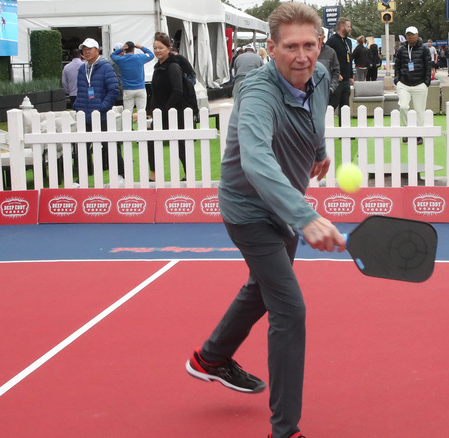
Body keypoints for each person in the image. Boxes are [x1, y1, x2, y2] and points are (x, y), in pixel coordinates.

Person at [184, 3, 346, 438]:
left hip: (287, 203)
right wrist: (305, 216)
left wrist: (317, 151)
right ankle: (285, 430)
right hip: (248, 209)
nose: (301, 56)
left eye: (309, 45)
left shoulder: (321, 75)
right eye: (290, 46)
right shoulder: (257, 92)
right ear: (271, 48)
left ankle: (211, 358)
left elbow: (316, 112)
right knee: (290, 309)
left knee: (262, 287)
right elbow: (255, 160)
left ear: (320, 44)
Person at [72, 38, 124, 181]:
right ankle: (82, 177)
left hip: (101, 115)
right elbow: (81, 90)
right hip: (85, 114)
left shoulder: (106, 67)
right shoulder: (82, 68)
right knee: (82, 148)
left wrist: (102, 107)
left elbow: (113, 90)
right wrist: (78, 106)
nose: (86, 52)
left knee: (110, 145)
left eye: (89, 49)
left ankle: (122, 174)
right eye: (84, 49)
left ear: (97, 50)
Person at [149, 33, 197, 181]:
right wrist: (151, 110)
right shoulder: (158, 67)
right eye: (155, 48)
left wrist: (166, 109)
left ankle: (188, 175)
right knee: (152, 140)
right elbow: (156, 92)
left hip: (177, 112)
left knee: (180, 143)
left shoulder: (173, 66)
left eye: (160, 48)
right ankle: (154, 174)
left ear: (169, 48)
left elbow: (178, 91)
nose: (157, 50)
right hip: (162, 111)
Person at [393, 26, 432, 144]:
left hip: (420, 84)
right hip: (404, 83)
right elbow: (397, 65)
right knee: (403, 107)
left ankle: (418, 135)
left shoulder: (424, 49)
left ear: (417, 34)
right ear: (406, 36)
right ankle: (406, 131)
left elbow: (428, 66)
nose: (411, 36)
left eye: (413, 34)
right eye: (408, 34)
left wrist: (426, 82)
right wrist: (397, 79)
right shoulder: (401, 49)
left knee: (420, 111)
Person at [110, 41, 154, 114]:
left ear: (125, 50)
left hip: (128, 90)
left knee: (127, 112)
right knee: (141, 112)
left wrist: (121, 49)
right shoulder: (140, 57)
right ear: (133, 49)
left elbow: (112, 55)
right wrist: (141, 47)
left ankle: (128, 125)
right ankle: (141, 125)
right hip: (140, 88)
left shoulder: (121, 60)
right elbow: (151, 55)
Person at [326, 17, 353, 116]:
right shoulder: (332, 41)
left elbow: (349, 59)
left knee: (345, 107)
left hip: (346, 81)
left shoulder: (348, 42)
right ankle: (327, 127)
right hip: (336, 81)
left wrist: (350, 75)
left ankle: (344, 129)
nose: (350, 29)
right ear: (341, 27)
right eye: (348, 26)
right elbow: (326, 60)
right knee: (331, 106)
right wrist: (334, 73)